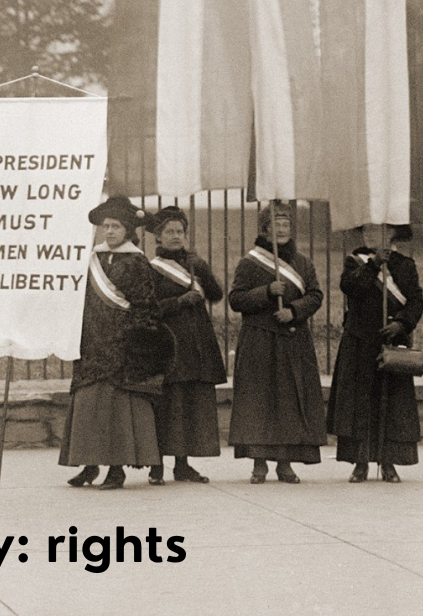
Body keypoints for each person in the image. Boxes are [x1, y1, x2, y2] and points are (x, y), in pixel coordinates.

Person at [60, 197, 168, 490]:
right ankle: (88, 465)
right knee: (88, 408)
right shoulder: (93, 259)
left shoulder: (137, 263)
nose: (109, 231)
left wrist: (130, 339)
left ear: (129, 230)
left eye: (116, 226)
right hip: (91, 345)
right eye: (105, 226)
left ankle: (116, 469)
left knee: (115, 411)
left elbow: (146, 308)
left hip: (121, 348)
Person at [228, 201, 326, 483]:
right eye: (276, 225)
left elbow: (316, 295)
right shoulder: (249, 262)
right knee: (260, 402)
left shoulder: (303, 263)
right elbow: (237, 299)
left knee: (288, 401)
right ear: (265, 230)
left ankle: (285, 463)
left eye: (286, 225)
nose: (282, 230)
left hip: (293, 339)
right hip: (259, 339)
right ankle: (259, 464)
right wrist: (267, 292)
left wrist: (294, 311)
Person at [327, 222, 423, 483]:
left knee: (391, 405)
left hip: (391, 343)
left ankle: (389, 462)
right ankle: (360, 463)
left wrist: (401, 323)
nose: (369, 235)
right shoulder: (355, 262)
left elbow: (416, 301)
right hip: (360, 342)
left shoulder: (405, 264)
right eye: (366, 231)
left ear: (391, 233)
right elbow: (350, 287)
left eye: (376, 231)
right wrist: (373, 265)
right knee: (360, 405)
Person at [144, 206, 225, 484]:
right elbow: (147, 308)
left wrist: (201, 267)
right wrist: (179, 302)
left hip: (195, 345)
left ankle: (182, 464)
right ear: (158, 237)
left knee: (187, 405)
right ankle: (157, 466)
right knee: (166, 406)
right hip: (167, 344)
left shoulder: (193, 264)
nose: (175, 236)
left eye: (180, 231)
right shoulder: (152, 269)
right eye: (169, 232)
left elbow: (216, 294)